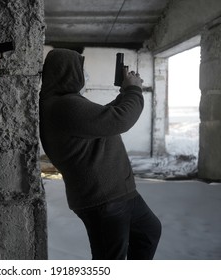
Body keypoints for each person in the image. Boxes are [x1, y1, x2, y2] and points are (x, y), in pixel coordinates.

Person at [39, 48, 161, 260]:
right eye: (81, 70)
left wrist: (125, 93)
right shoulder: (63, 106)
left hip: (118, 194)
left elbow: (100, 119)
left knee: (148, 232)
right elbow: (119, 120)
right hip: (103, 200)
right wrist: (133, 91)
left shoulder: (65, 102)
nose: (84, 76)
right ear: (67, 72)